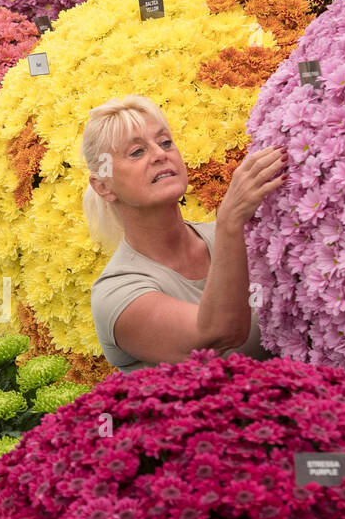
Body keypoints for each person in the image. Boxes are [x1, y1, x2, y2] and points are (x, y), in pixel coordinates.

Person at [86, 95, 285, 371]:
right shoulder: (116, 292)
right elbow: (217, 335)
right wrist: (229, 220)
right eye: (137, 152)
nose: (159, 154)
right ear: (103, 187)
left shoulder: (233, 237)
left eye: (165, 142)